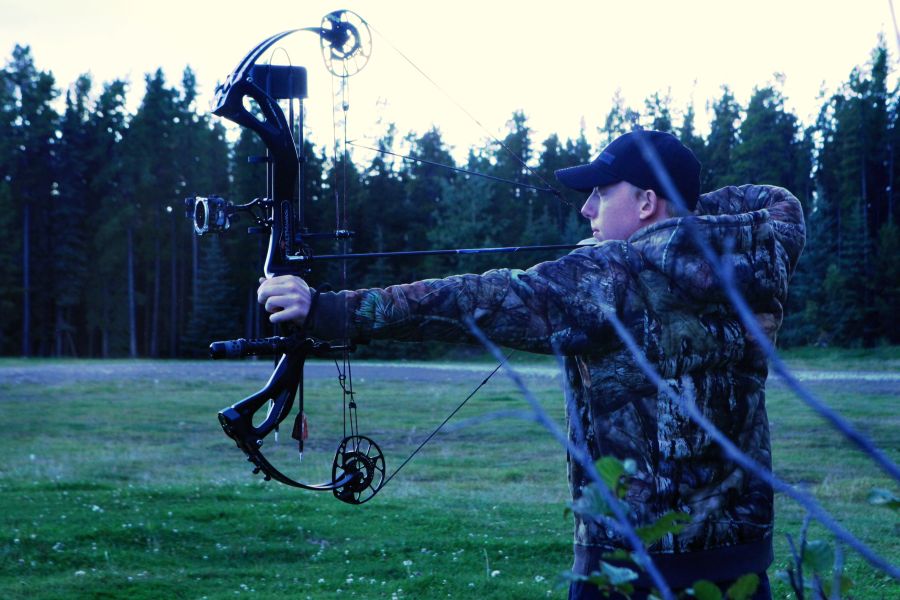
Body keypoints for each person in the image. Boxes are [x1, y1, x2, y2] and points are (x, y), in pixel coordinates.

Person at [257, 130, 805, 599]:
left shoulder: (613, 276)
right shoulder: (754, 257)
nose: (587, 209)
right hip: (739, 568)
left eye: (600, 193)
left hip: (631, 572)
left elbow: (477, 298)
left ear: (644, 202)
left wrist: (327, 310)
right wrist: (679, 216)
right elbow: (778, 201)